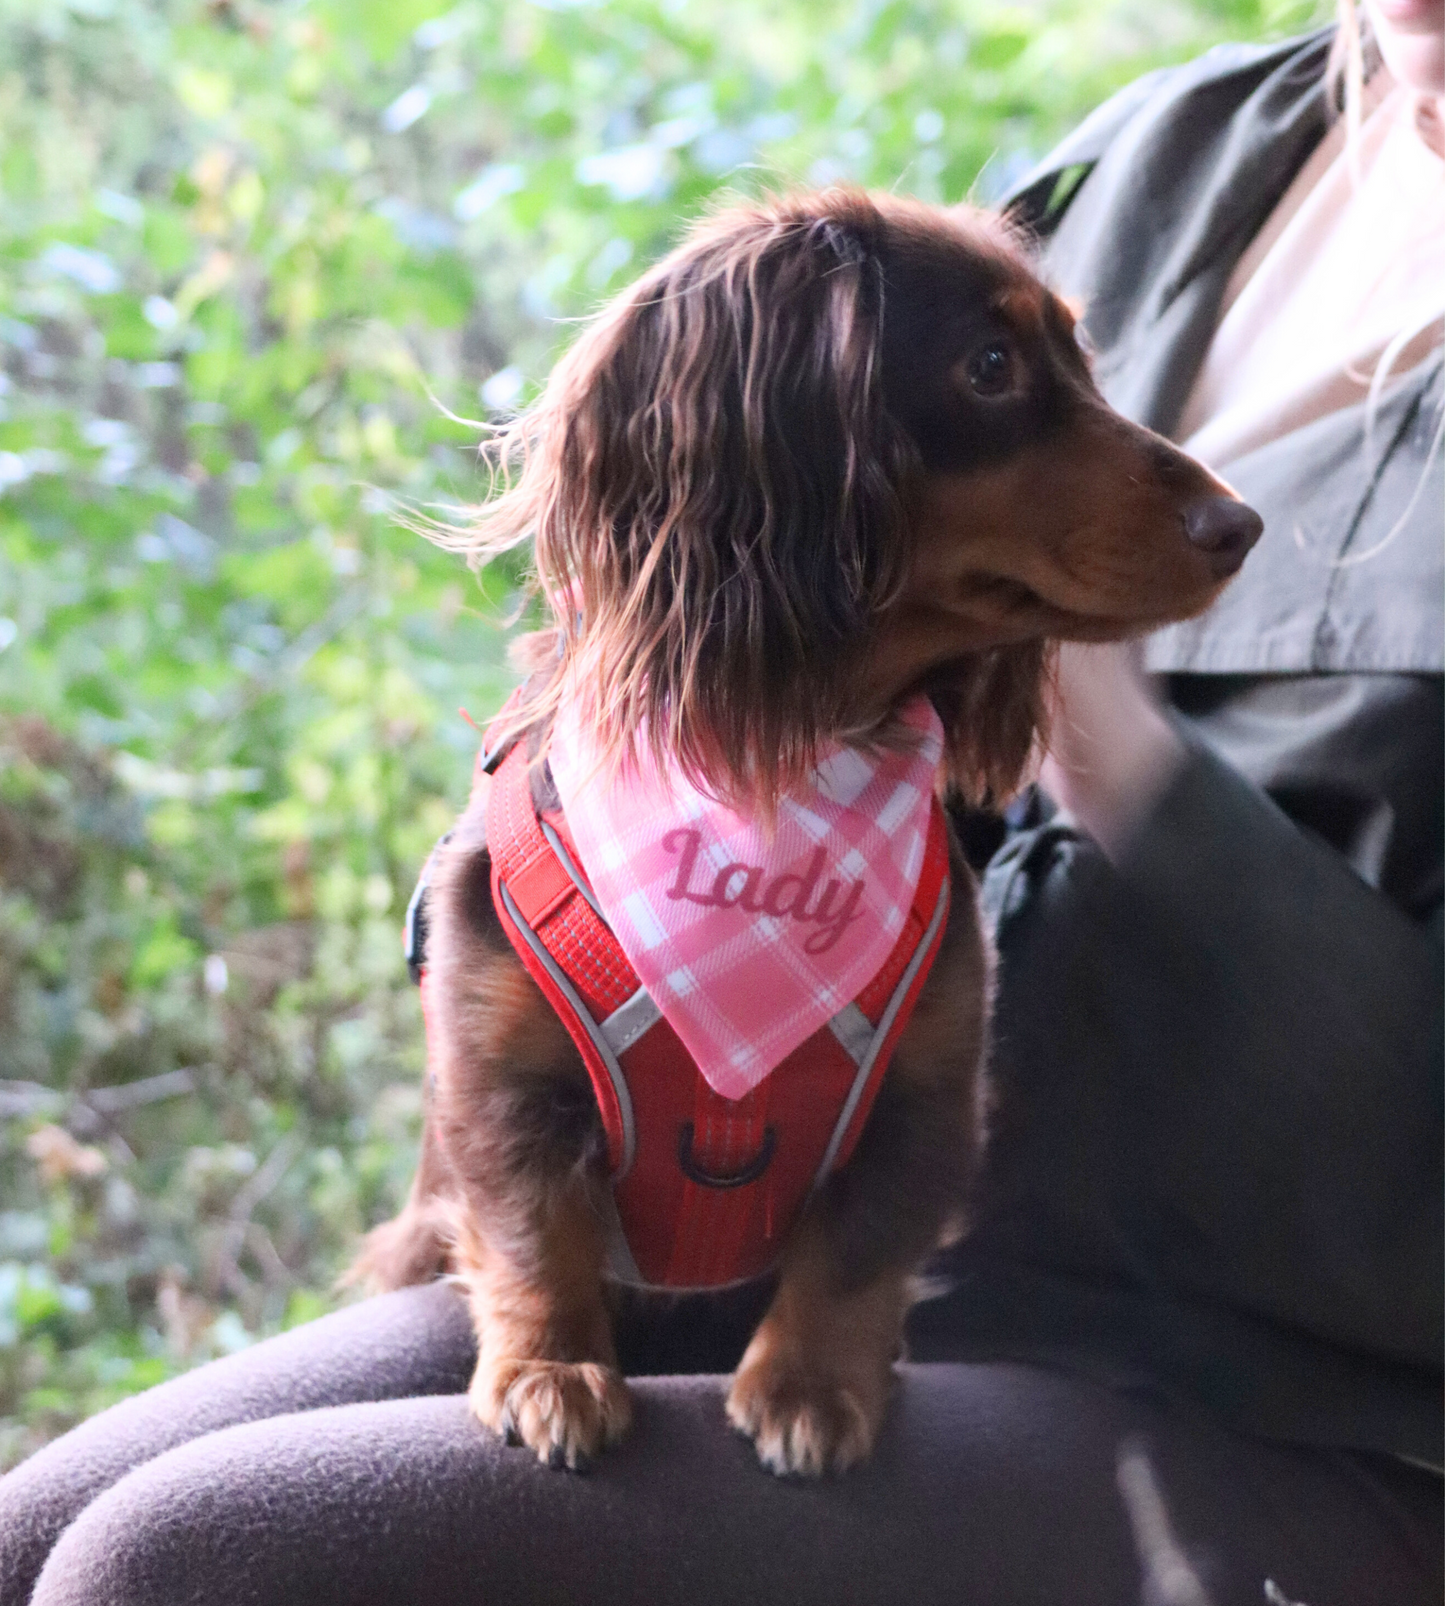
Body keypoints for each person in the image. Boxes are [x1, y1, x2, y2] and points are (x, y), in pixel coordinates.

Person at [1, 6, 1439, 1600]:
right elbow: (805, 512)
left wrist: (1134, 773)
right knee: (30, 1534)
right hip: (744, 1236)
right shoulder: (1188, 147)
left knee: (169, 1565)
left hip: (1244, 1391)